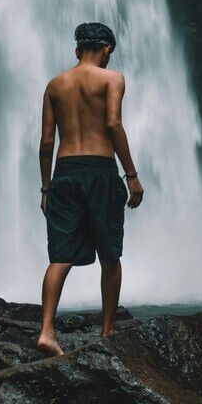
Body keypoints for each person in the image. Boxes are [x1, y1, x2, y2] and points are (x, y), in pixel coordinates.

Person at [36, 22, 144, 357]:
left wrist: (45, 188)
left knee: (60, 257)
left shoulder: (55, 85)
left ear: (77, 49)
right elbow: (112, 123)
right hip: (100, 171)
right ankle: (108, 332)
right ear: (107, 50)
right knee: (110, 254)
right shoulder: (112, 79)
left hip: (65, 173)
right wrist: (131, 174)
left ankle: (47, 332)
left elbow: (46, 142)